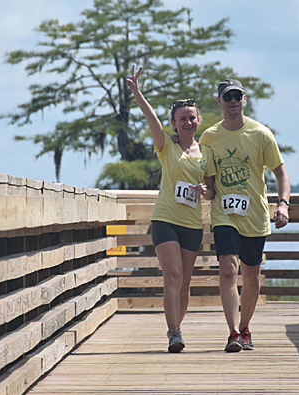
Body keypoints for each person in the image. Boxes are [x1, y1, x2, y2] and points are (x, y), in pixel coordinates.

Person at [126, 65, 216, 353]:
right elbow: (151, 119)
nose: (187, 122)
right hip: (165, 219)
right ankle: (174, 332)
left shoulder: (206, 154)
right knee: (173, 275)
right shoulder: (167, 146)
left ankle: (178, 327)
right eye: (182, 119)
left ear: (198, 120)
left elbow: (212, 190)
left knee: (185, 284)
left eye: (192, 117)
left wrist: (205, 190)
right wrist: (138, 93)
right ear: (174, 123)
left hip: (192, 224)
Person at [199, 78, 290, 352]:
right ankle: (232, 333)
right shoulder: (209, 137)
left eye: (237, 95)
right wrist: (204, 191)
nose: (233, 101)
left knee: (251, 275)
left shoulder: (261, 134)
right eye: (228, 97)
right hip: (225, 215)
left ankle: (246, 327)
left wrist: (283, 204)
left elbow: (281, 173)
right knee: (228, 268)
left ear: (245, 99)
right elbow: (209, 184)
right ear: (220, 102)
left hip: (255, 215)